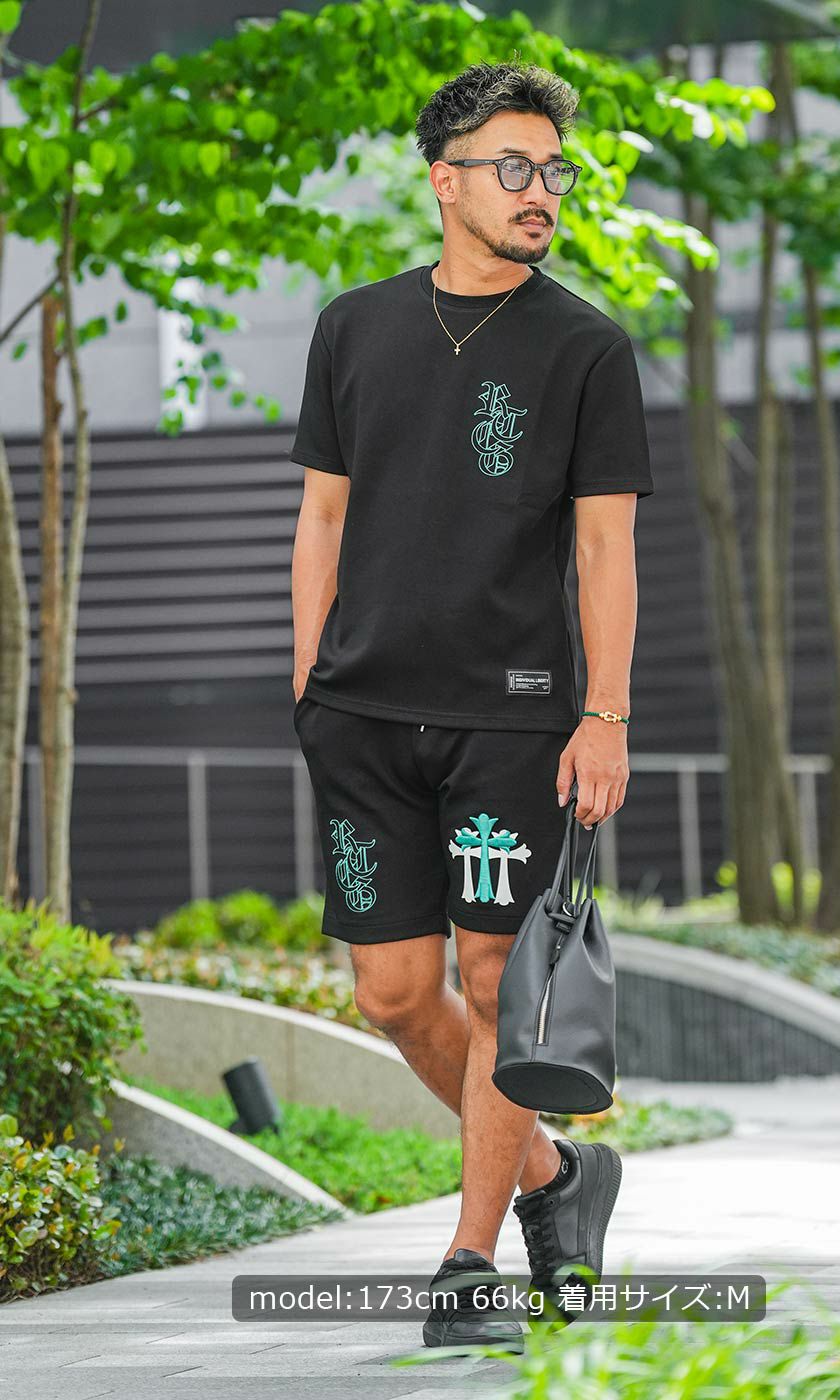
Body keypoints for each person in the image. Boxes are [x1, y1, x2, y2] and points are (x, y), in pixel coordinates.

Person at [288, 59, 654, 1353]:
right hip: (362, 716)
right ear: (445, 181)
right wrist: (309, 681)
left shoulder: (587, 348)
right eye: (513, 167)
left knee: (497, 983)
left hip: (515, 716)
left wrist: (604, 714)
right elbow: (322, 516)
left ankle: (467, 1260)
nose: (539, 190)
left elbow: (605, 547)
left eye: (553, 170)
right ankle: (559, 1176)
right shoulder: (352, 327)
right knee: (393, 993)